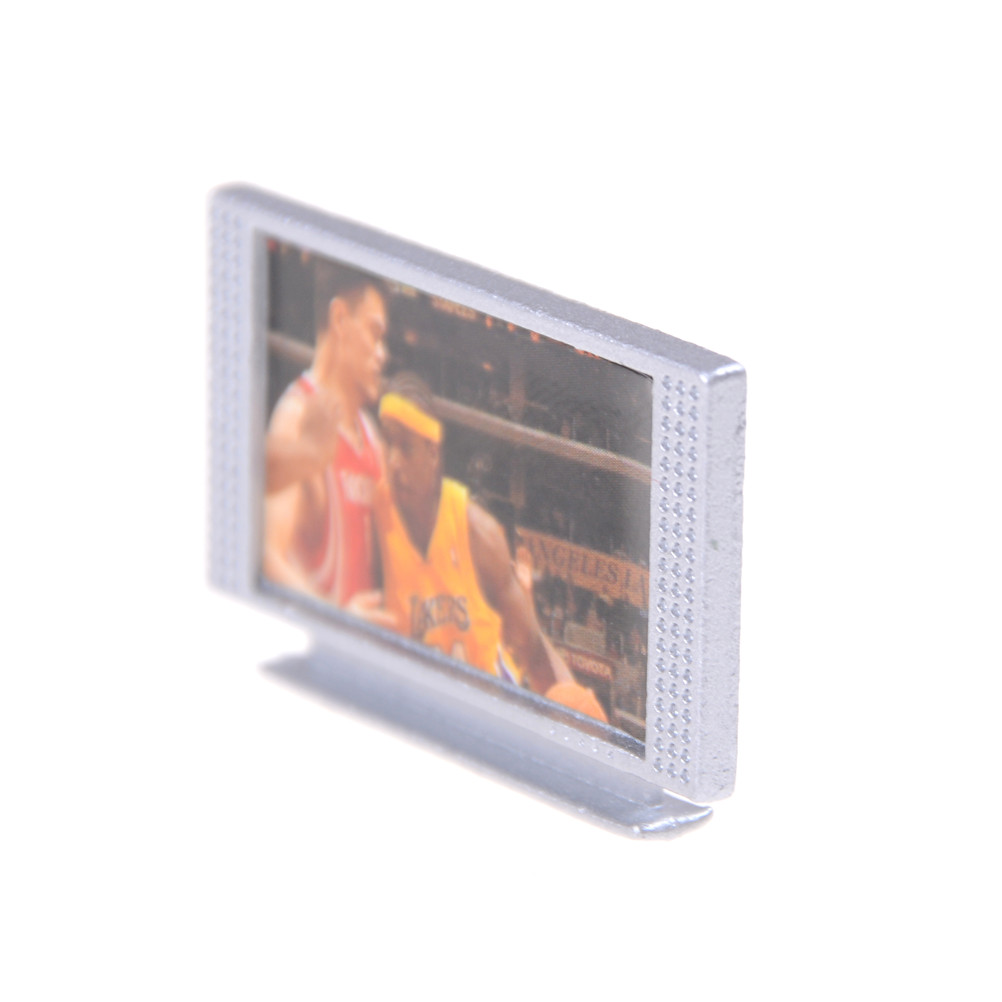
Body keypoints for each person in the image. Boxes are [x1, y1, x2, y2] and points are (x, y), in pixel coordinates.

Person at [374, 372, 608, 722]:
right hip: (410, 714)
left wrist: (580, 720)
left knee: (574, 704)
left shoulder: (478, 534)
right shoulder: (373, 514)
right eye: (387, 444)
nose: (393, 462)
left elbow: (534, 653)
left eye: (405, 448)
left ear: (432, 453)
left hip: (484, 720)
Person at [263, 270, 394, 626]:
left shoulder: (371, 437)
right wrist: (339, 622)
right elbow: (268, 555)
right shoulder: (296, 417)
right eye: (375, 333)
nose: (382, 354)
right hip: (316, 642)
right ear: (339, 319)